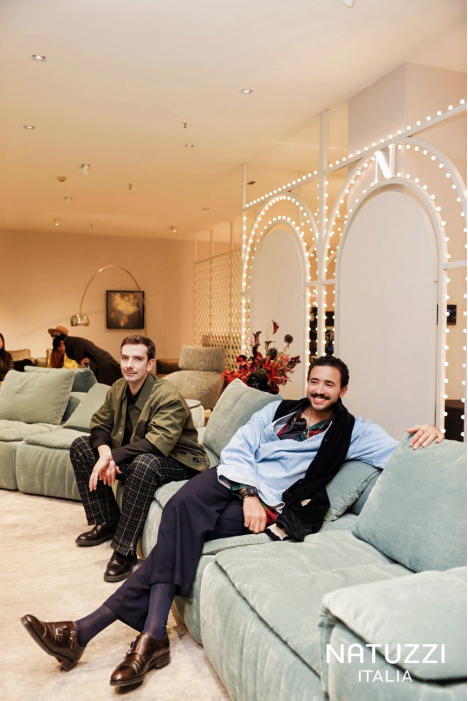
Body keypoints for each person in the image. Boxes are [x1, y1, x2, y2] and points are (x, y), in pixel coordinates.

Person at [21, 355, 444, 688]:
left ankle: (95, 632)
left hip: (273, 504)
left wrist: (432, 431)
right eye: (314, 381)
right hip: (233, 482)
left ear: (343, 390)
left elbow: (398, 453)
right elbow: (240, 447)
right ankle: (149, 636)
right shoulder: (279, 410)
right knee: (181, 508)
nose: (318, 390)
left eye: (328, 385)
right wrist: (249, 494)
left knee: (179, 532)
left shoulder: (353, 431)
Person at [70, 334, 209, 582]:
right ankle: (108, 521)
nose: (129, 365)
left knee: (144, 463)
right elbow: (99, 424)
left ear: (150, 364)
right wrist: (105, 454)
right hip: (138, 454)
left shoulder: (167, 395)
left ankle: (124, 550)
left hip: (180, 460)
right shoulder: (118, 388)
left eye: (137, 359)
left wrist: (113, 456)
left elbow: (157, 443)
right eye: (125, 358)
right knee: (81, 446)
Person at [47, 326, 122, 385]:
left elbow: (77, 345)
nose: (61, 353)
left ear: (62, 343)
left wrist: (80, 359)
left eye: (60, 350)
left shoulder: (70, 341)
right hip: (103, 363)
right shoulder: (71, 343)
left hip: (104, 365)